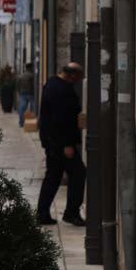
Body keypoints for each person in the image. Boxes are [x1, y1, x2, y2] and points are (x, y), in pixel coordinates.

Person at [37, 62, 86, 226]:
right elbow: (60, 119)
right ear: (71, 75)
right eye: (78, 78)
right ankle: (71, 213)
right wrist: (67, 145)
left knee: (53, 176)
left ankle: (42, 214)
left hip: (52, 142)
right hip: (60, 143)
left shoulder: (52, 83)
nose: (78, 82)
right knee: (78, 173)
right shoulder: (61, 90)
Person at [17, 61, 36, 128]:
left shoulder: (21, 76)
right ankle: (34, 123)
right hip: (31, 94)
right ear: (31, 67)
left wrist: (19, 92)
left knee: (22, 108)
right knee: (34, 107)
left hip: (23, 93)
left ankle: (21, 123)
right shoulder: (32, 75)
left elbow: (18, 85)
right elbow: (34, 86)